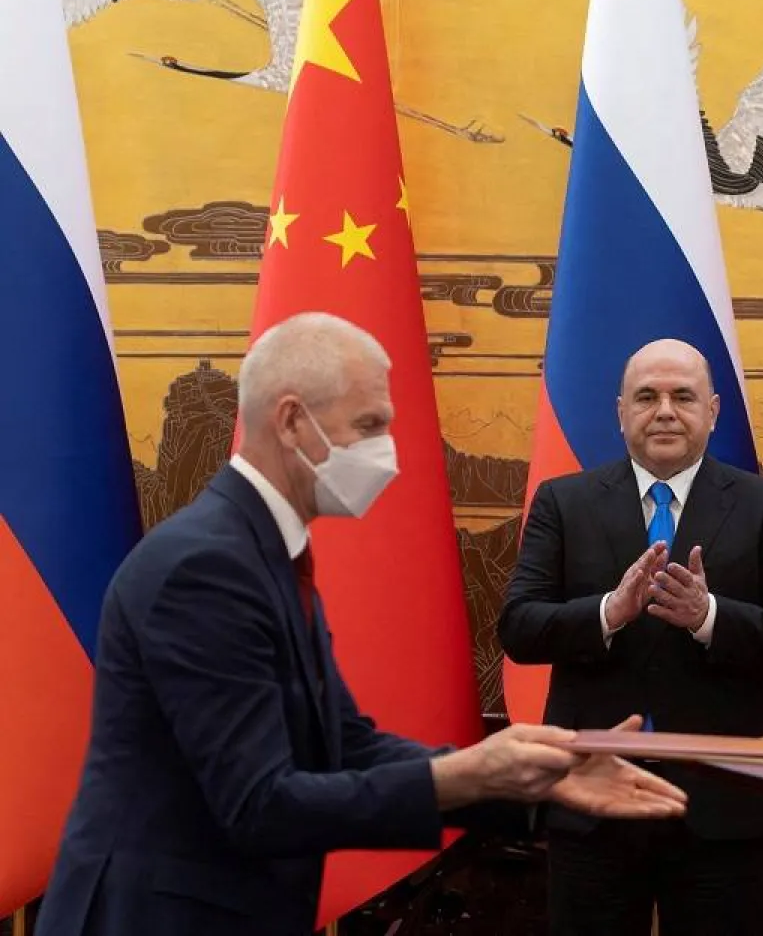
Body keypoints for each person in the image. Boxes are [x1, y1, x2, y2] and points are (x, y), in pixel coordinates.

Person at [36, 313, 686, 936]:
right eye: (369, 425)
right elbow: (257, 804)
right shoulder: (204, 567)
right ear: (292, 420)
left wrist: (537, 784)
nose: (389, 455)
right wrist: (471, 774)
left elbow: (345, 744)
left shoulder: (267, 551)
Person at [500, 337, 763, 936]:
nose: (665, 411)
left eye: (683, 397)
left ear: (713, 411)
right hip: (592, 800)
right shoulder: (564, 501)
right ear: (621, 411)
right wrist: (608, 612)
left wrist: (707, 617)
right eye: (647, 397)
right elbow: (519, 628)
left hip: (722, 808)